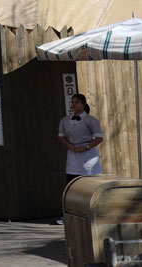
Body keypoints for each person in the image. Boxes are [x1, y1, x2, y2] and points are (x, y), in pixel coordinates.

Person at [56, 93, 103, 224]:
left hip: (88, 155)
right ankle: (68, 214)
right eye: (72, 102)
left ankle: (94, 212)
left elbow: (99, 138)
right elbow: (61, 136)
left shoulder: (91, 120)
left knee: (91, 183)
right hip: (72, 154)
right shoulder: (64, 120)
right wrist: (70, 146)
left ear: (83, 104)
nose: (74, 104)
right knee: (71, 185)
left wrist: (86, 147)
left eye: (77, 102)